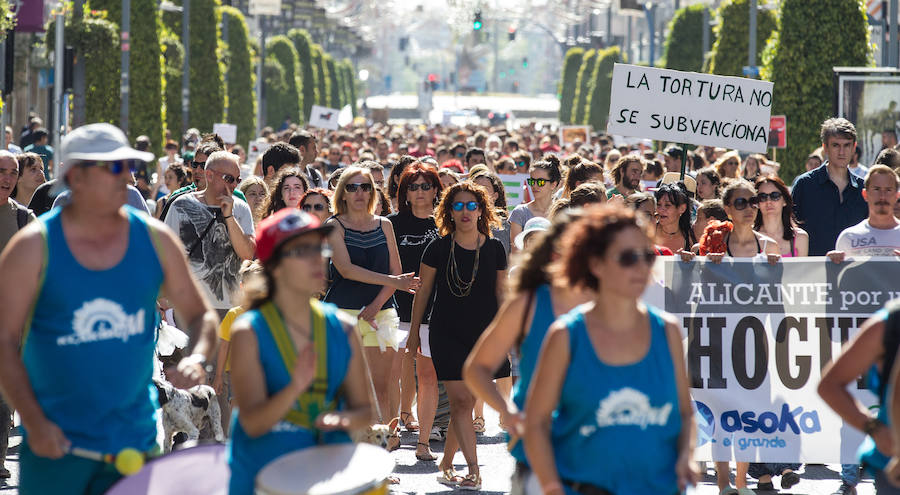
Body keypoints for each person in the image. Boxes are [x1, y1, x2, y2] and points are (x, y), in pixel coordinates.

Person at [0, 123, 217, 494]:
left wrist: (196, 358)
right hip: (56, 445)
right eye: (114, 167)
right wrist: (34, 420)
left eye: (129, 165)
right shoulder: (33, 246)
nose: (128, 176)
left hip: (133, 444)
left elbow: (201, 315)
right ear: (76, 177)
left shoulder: (154, 239)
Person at [524, 204, 698, 495]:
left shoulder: (667, 330)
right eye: (628, 257)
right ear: (596, 264)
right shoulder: (566, 335)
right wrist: (552, 486)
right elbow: (537, 422)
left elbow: (685, 413)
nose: (642, 267)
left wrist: (685, 457)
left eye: (646, 255)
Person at [226, 209, 374, 495]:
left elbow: (364, 411)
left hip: (326, 478)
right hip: (261, 479)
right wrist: (295, 387)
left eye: (319, 248)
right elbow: (253, 424)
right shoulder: (249, 331)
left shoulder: (343, 328)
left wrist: (344, 420)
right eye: (302, 251)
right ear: (275, 266)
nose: (317, 258)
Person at [464, 209, 593, 494]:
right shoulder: (529, 302)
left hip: (598, 447)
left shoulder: (611, 302)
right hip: (538, 443)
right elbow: (477, 368)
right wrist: (507, 410)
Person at [408, 181, 507, 490]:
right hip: (446, 332)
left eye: (471, 205)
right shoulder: (437, 247)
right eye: (458, 206)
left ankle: (447, 463)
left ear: (481, 210)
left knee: (464, 404)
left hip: (485, 335)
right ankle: (474, 471)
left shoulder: (494, 248)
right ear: (449, 211)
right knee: (461, 401)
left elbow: (502, 293)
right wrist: (414, 334)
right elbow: (422, 293)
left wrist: (508, 333)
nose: (465, 212)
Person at [324, 165, 418, 422]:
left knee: (381, 387)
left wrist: (377, 305)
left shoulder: (384, 224)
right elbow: (346, 269)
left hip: (383, 312)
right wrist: (393, 281)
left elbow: (397, 272)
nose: (359, 193)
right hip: (343, 313)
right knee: (346, 387)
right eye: (352, 187)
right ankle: (345, 446)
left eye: (365, 187)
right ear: (342, 193)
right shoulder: (333, 225)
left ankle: (383, 444)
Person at [387, 162, 442, 458]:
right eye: (413, 186)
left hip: (435, 313)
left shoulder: (446, 223)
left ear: (436, 190)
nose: (420, 192)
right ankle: (391, 435)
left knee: (429, 376)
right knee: (391, 376)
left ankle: (423, 443)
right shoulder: (390, 223)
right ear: (404, 192)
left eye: (425, 186)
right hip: (397, 310)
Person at [819, 300, 900, 495]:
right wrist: (875, 429)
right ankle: (849, 480)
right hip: (892, 465)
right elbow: (830, 385)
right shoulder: (889, 323)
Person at [164, 151, 256, 319]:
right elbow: (163, 254)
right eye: (229, 179)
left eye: (238, 179)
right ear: (209, 175)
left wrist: (229, 217)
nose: (234, 184)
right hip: (188, 305)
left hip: (229, 307)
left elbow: (247, 254)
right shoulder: (181, 205)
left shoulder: (241, 208)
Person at [793, 118, 868, 256]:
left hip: (854, 272)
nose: (842, 152)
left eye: (847, 145)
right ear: (825, 147)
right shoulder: (805, 185)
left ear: (854, 147)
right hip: (813, 272)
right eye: (835, 145)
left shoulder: (864, 188)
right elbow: (790, 229)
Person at [827, 165, 900, 261]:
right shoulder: (849, 237)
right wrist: (831, 263)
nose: (882, 196)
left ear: (897, 195)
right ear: (865, 194)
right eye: (876, 189)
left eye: (888, 190)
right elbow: (839, 275)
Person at [510, 155, 562, 251]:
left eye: (540, 182)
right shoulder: (519, 212)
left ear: (553, 184)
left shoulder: (563, 211)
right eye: (532, 181)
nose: (534, 185)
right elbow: (515, 253)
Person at [753, 175, 809, 258]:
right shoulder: (751, 237)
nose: (768, 201)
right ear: (757, 203)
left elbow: (803, 270)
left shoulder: (800, 237)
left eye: (775, 196)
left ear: (785, 201)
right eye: (762, 197)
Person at [470, 170, 511, 254]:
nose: (479, 191)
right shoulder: (463, 222)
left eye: (485, 188)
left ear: (495, 196)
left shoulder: (506, 227)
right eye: (475, 187)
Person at [654, 183, 696, 253]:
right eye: (659, 204)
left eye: (667, 205)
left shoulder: (692, 236)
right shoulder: (648, 232)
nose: (661, 209)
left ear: (682, 208)